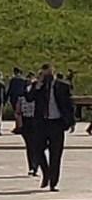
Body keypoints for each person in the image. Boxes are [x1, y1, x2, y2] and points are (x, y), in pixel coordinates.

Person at [26, 63, 75, 191]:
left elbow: (69, 104)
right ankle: (46, 172)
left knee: (56, 153)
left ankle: (53, 182)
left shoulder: (62, 86)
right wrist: (38, 85)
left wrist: (71, 122)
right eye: (44, 74)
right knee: (37, 150)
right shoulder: (38, 86)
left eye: (49, 73)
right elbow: (29, 98)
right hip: (41, 123)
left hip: (57, 123)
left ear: (53, 72)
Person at [19, 75, 45, 177]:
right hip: (29, 122)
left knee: (33, 146)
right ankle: (33, 166)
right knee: (31, 146)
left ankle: (34, 166)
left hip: (34, 121)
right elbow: (18, 111)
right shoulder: (24, 97)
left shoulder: (39, 96)